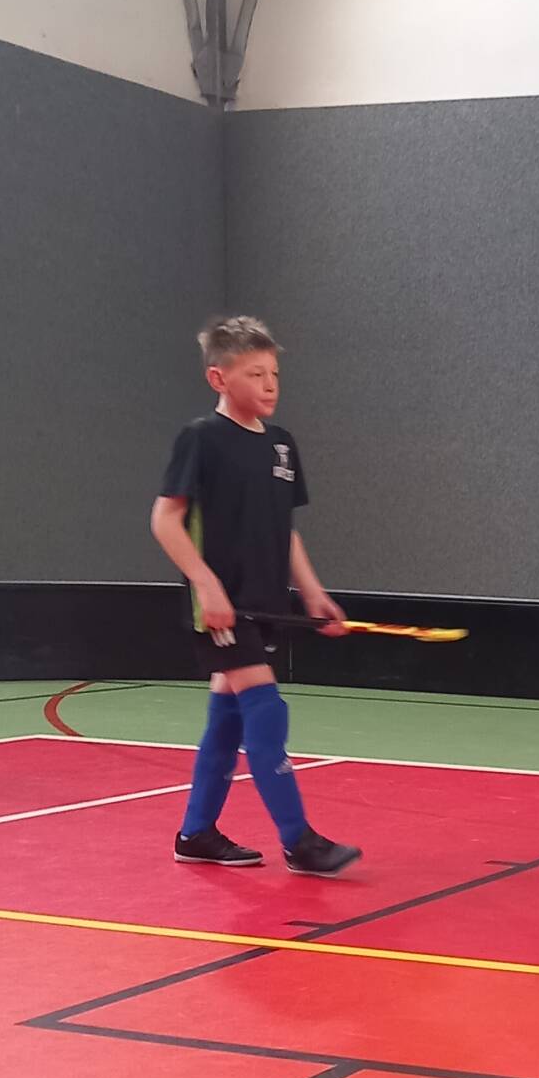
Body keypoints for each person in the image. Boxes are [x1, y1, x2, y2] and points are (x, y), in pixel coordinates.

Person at [151, 315, 361, 877]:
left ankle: (196, 833)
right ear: (219, 378)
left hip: (266, 603)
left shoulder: (281, 445)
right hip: (224, 608)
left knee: (227, 717)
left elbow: (283, 530)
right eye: (254, 374)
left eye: (274, 374)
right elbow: (165, 519)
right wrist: (206, 583)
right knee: (266, 710)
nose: (269, 385)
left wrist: (312, 592)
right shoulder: (201, 439)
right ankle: (299, 841)